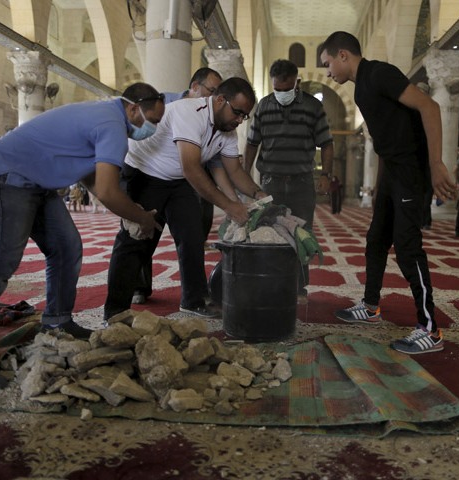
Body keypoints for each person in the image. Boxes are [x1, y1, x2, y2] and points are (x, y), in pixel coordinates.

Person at [0, 82, 165, 392]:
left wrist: (127, 209)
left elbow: (95, 180)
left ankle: (58, 321)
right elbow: (110, 192)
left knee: (66, 246)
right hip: (6, 175)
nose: (150, 129)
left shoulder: (106, 116)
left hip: (36, 182)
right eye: (150, 121)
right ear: (132, 108)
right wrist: (140, 216)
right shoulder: (112, 124)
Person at [320, 31, 457, 354]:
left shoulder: (379, 73)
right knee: (376, 238)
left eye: (327, 64)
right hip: (393, 175)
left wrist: (436, 164)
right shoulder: (361, 90)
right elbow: (384, 144)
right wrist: (381, 189)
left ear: (343, 55)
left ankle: (429, 329)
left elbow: (430, 107)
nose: (327, 72)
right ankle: (370, 306)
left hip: (410, 173)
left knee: (408, 248)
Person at [104, 77, 268, 321]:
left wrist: (258, 193)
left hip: (177, 180)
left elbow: (234, 171)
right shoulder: (190, 112)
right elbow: (192, 168)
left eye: (245, 116)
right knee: (137, 238)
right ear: (220, 100)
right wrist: (229, 206)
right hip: (145, 173)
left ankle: (194, 300)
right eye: (238, 112)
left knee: (192, 236)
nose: (240, 120)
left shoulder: (228, 131)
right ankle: (115, 310)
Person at [131, 67, 226, 306]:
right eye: (211, 91)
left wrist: (229, 199)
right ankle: (138, 287)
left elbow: (214, 162)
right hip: (151, 175)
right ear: (194, 86)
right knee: (145, 232)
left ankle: (194, 297)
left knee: (192, 233)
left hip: (186, 178)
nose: (213, 99)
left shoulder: (211, 117)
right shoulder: (164, 103)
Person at [243, 59, 334, 303]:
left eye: (287, 89)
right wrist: (243, 177)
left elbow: (326, 144)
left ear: (297, 83)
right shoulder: (263, 106)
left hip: (301, 182)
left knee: (301, 232)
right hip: (270, 182)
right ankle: (270, 282)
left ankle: (298, 288)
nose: (282, 94)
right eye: (278, 89)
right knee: (268, 230)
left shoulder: (313, 107)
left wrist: (325, 175)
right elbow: (252, 144)